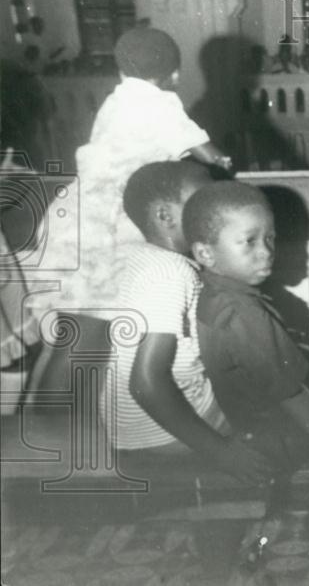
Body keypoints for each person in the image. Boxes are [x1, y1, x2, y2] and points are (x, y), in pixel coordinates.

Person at [28, 28, 232, 391]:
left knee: (67, 338)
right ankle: (51, 430)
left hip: (71, 216)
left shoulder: (116, 100)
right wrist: (223, 170)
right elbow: (212, 155)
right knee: (85, 338)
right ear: (173, 75)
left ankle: (41, 428)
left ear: (121, 70)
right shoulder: (162, 104)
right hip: (103, 227)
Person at [184, 181, 309, 474]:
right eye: (249, 241)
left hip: (263, 428)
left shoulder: (218, 293)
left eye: (270, 238)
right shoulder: (242, 312)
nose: (266, 251)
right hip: (284, 437)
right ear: (205, 254)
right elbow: (290, 395)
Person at [101, 161, 272, 482]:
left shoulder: (138, 257)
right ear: (165, 216)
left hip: (128, 430)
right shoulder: (170, 272)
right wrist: (221, 453)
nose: (214, 209)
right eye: (202, 201)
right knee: (289, 388)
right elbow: (146, 382)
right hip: (166, 432)